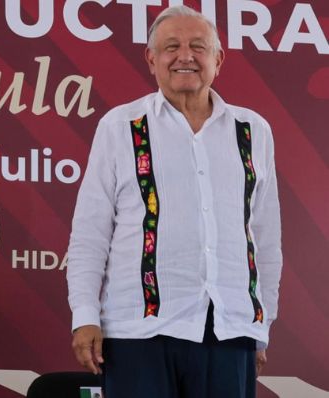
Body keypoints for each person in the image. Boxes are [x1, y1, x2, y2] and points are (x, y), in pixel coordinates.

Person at [67, 5, 282, 398]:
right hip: (137, 331)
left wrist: (260, 325)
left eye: (198, 47)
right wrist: (84, 316)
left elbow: (265, 236)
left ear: (218, 59)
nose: (185, 56)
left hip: (230, 330)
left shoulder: (253, 131)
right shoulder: (120, 127)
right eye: (171, 47)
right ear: (152, 59)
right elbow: (90, 231)